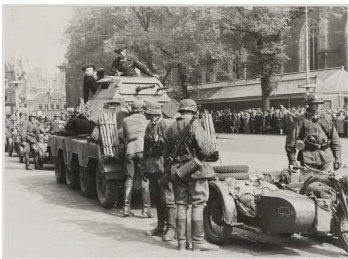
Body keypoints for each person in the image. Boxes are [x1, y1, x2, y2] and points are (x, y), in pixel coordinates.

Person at [163, 99, 219, 251]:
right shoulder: (195, 124)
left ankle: (181, 242)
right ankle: (198, 243)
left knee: (181, 204)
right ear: (194, 111)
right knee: (198, 205)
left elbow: (166, 155)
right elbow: (206, 150)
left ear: (181, 111)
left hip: (177, 172)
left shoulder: (170, 128)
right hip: (196, 171)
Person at [143, 101, 176, 240]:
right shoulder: (150, 126)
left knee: (167, 198)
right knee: (156, 197)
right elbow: (145, 147)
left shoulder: (165, 124)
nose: (144, 113)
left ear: (153, 112)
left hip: (163, 166)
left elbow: (170, 147)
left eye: (146, 111)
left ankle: (171, 228)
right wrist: (144, 167)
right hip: (151, 167)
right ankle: (160, 226)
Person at [285, 95, 342, 172]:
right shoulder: (300, 120)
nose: (318, 106)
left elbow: (335, 139)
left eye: (320, 103)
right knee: (310, 182)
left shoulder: (326, 118)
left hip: (327, 157)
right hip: (308, 158)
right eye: (315, 103)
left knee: (328, 182)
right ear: (308, 105)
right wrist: (292, 160)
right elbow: (290, 142)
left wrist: (338, 157)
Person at [122, 101, 152, 217]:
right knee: (144, 179)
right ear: (142, 110)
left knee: (129, 179)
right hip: (141, 149)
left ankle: (126, 208)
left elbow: (124, 136)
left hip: (130, 150)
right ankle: (146, 210)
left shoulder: (126, 120)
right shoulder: (146, 121)